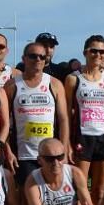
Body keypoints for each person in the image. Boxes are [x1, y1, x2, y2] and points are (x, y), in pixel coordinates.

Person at [65, 35, 104, 205]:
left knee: (100, 190)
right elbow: (65, 114)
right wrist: (67, 143)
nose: (98, 54)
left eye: (101, 52)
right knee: (81, 190)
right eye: (93, 51)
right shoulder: (74, 79)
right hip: (83, 137)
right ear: (85, 53)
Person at [4, 41, 71, 185]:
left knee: (50, 196)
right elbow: (3, 122)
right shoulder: (12, 85)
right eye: (33, 56)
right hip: (23, 154)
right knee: (26, 199)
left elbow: (64, 120)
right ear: (24, 58)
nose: (38, 60)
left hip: (50, 154)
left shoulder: (55, 84)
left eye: (42, 57)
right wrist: (8, 150)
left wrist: (63, 150)